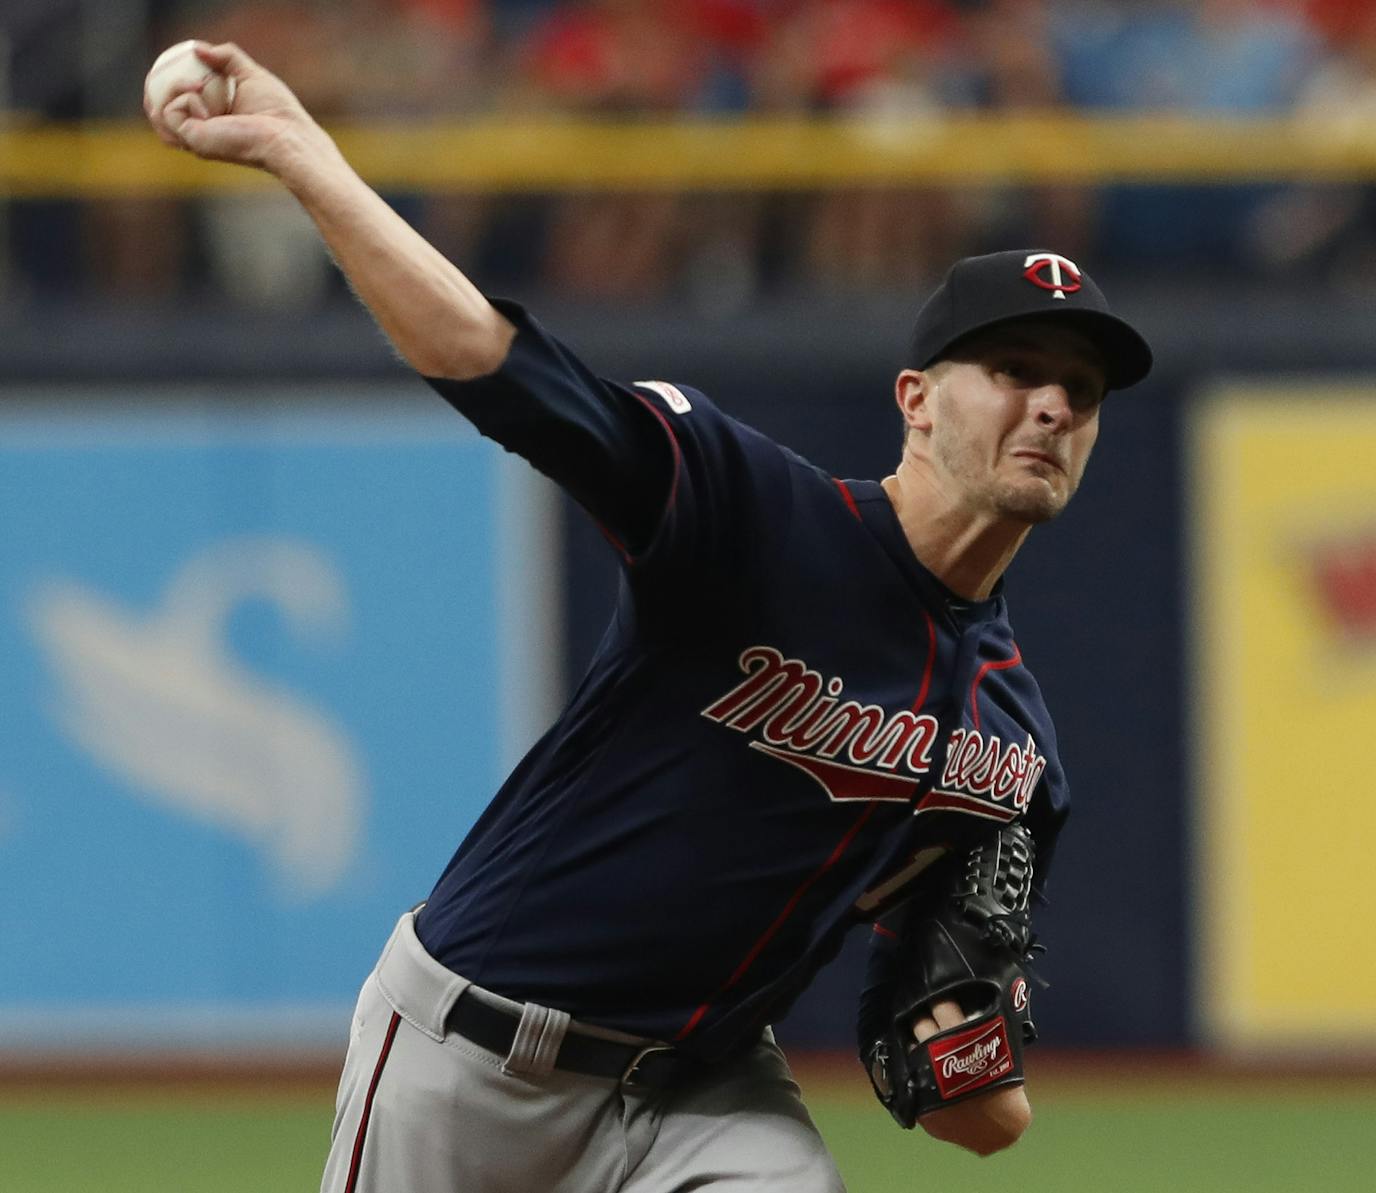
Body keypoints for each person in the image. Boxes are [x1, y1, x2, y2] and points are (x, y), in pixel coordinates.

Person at [144, 41, 1152, 1193]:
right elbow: (492, 360)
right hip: (471, 1051)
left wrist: (964, 1041)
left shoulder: (1009, 748)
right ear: (916, 401)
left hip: (705, 1090)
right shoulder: (751, 509)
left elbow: (975, 1116)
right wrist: (299, 152)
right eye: (1016, 367)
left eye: (1083, 388)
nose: (1054, 403)